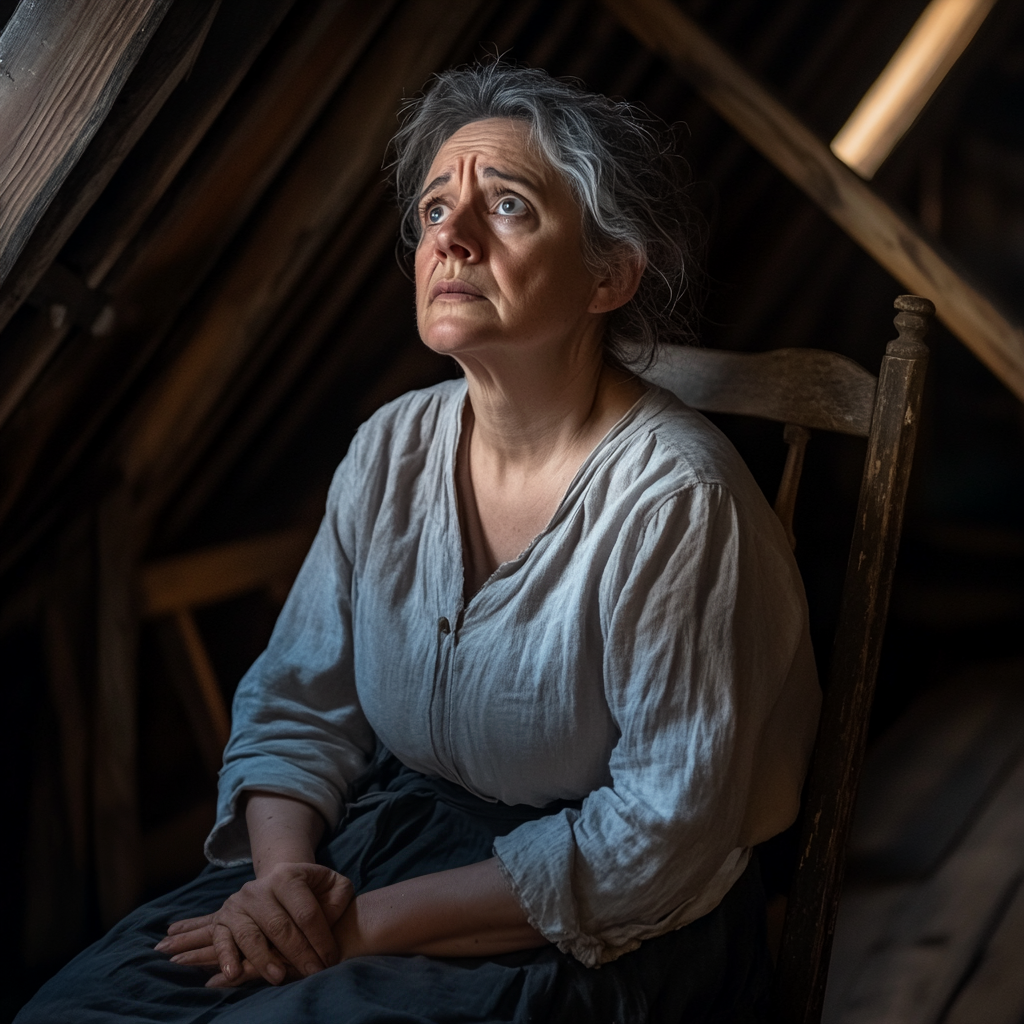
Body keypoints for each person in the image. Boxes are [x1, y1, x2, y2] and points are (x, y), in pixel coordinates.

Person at [16, 63, 820, 1024]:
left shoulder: (674, 503)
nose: (452, 236)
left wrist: (358, 929)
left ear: (610, 274)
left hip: (614, 924)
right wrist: (283, 888)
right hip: (377, 851)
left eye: (508, 205)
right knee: (75, 1010)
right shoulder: (392, 448)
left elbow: (659, 838)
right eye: (436, 209)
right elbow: (296, 705)